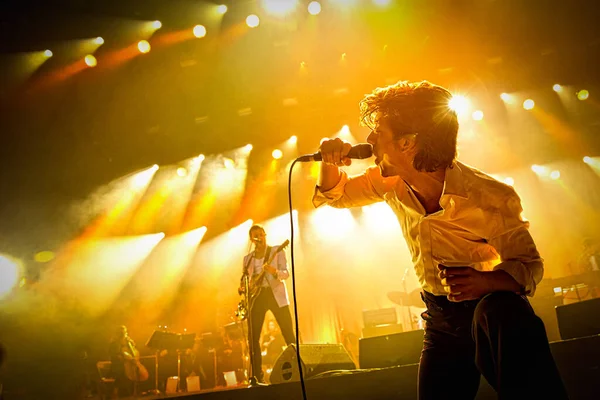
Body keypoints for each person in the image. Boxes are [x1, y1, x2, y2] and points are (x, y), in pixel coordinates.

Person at [312, 80, 568, 399]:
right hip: (441, 322)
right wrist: (328, 158)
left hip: (491, 315)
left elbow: (531, 268)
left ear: (407, 143)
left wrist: (485, 282)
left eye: (378, 131)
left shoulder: (488, 196)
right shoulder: (390, 182)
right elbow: (335, 196)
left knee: (508, 330)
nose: (368, 140)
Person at [240, 224, 295, 383]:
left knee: (287, 331)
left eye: (261, 234)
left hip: (275, 294)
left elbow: (286, 273)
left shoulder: (276, 251)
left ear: (265, 235)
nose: (259, 237)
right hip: (257, 297)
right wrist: (243, 287)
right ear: (252, 239)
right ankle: (257, 376)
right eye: (255, 236)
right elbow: (246, 279)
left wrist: (274, 272)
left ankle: (297, 367)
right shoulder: (247, 259)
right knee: (253, 337)